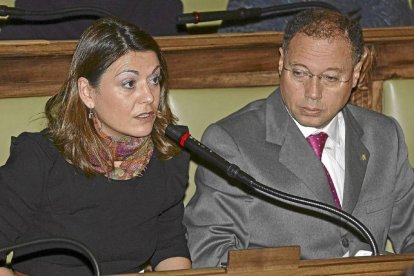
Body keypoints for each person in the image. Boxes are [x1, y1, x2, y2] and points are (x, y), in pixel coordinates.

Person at [184, 8, 414, 268]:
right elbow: (208, 252)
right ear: (281, 62)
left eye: (330, 78)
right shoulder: (232, 142)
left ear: (357, 73)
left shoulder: (384, 136)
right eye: (300, 73)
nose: (312, 93)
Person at [0, 16, 191, 275]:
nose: (149, 97)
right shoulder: (39, 159)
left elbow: (171, 250)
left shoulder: (168, 156)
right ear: (88, 92)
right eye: (129, 83)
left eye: (155, 80)